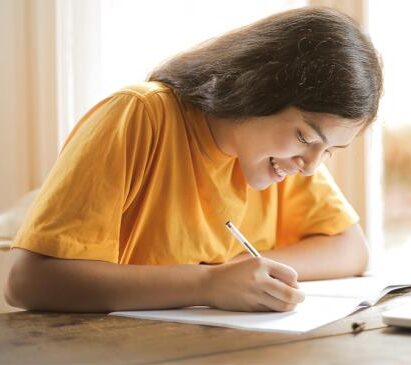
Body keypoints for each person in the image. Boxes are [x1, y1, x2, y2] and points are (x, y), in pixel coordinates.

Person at [5, 6, 383, 313]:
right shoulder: (139, 115)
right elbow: (28, 282)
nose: (312, 165)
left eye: (328, 151)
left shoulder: (285, 158)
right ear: (259, 89)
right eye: (305, 137)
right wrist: (208, 284)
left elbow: (351, 248)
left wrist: (247, 271)